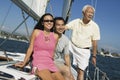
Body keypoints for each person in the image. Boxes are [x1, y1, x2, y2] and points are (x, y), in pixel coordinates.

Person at [15, 13, 65, 80]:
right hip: (38, 62)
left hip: (50, 63)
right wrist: (25, 62)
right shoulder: (36, 32)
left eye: (51, 21)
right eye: (47, 21)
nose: (49, 22)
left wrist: (53, 63)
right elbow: (30, 48)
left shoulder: (56, 36)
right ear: (42, 23)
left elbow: (52, 52)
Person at [65, 5, 100, 80]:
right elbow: (66, 27)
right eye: (89, 12)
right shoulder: (76, 21)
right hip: (72, 46)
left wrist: (94, 56)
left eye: (92, 13)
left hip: (84, 51)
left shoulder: (95, 26)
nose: (91, 14)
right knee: (64, 63)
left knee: (80, 71)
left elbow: (94, 43)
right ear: (83, 13)